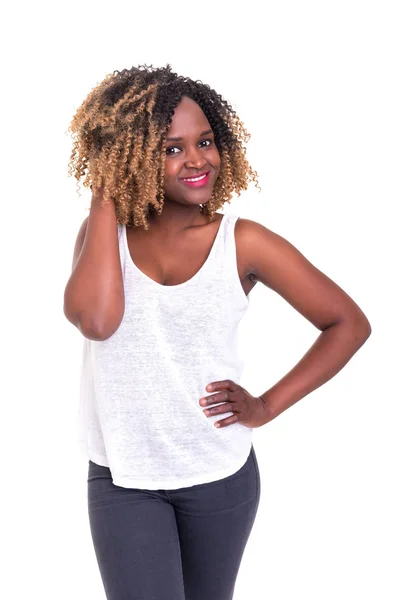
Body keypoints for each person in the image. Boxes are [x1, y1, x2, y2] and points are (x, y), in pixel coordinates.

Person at [63, 63, 371, 600]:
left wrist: (266, 406)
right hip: (123, 479)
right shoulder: (102, 235)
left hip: (218, 474)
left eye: (204, 141)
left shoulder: (242, 241)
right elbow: (96, 321)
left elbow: (347, 323)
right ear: (130, 157)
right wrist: (104, 191)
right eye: (171, 148)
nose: (197, 159)